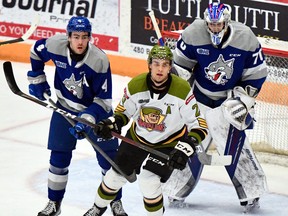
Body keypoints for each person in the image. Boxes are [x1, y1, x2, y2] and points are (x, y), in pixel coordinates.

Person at [82, 44, 208, 216]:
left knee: (148, 181)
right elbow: (123, 113)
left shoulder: (182, 89)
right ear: (149, 65)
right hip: (137, 137)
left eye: (165, 65)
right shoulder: (136, 85)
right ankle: (97, 208)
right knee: (114, 177)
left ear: (170, 67)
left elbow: (199, 124)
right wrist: (111, 123)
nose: (160, 69)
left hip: (168, 142)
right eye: (156, 63)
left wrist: (187, 146)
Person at [167, 0, 269, 213]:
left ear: (226, 22)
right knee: (190, 144)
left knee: (235, 148)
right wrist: (176, 74)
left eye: (218, 24)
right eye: (211, 24)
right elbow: (181, 68)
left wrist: (242, 101)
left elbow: (256, 75)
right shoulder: (193, 33)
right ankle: (175, 189)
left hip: (229, 102)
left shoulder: (245, 38)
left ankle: (252, 194)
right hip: (199, 99)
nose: (214, 28)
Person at [27, 16, 127, 216]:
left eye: (84, 37)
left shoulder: (99, 60)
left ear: (90, 37)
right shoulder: (55, 45)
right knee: (58, 158)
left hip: (96, 114)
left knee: (109, 162)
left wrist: (88, 120)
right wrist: (37, 78)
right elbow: (36, 51)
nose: (80, 42)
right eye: (75, 37)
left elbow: (104, 101)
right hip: (64, 108)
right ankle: (54, 203)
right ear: (68, 36)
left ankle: (116, 203)